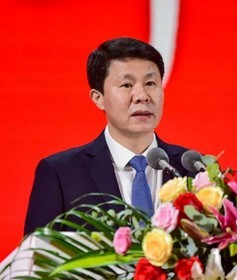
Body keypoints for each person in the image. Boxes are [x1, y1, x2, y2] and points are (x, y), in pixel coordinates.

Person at [24, 37, 193, 235]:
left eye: (150, 83)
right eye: (126, 85)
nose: (142, 96)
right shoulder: (60, 174)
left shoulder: (193, 169)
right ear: (98, 98)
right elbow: (38, 251)